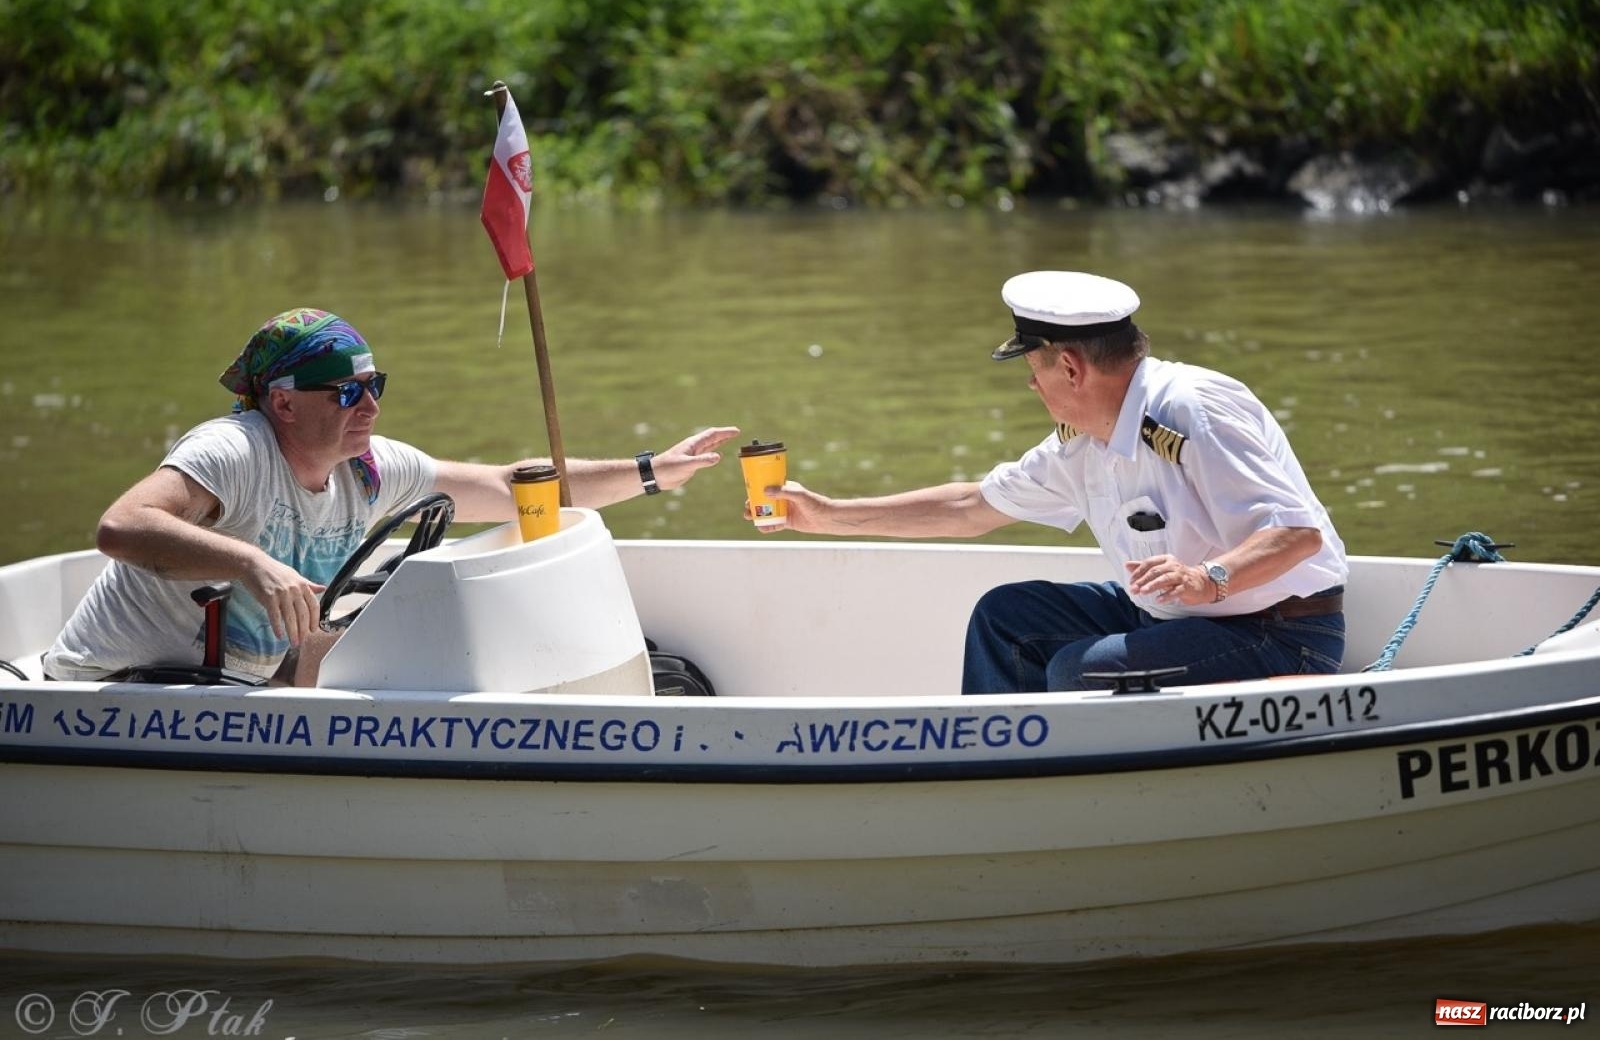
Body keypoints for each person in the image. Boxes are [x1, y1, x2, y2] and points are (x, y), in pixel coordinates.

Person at [45, 308, 738, 686]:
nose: (369, 405)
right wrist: (251, 562)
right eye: (347, 392)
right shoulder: (234, 450)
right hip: (110, 689)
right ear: (282, 404)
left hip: (234, 698)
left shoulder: (371, 467)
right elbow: (121, 526)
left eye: (377, 386)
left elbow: (507, 485)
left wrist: (652, 471)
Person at [764, 271, 1348, 694]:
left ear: (1070, 367)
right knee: (1007, 616)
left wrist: (1208, 579)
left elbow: (1296, 533)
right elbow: (970, 507)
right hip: (1176, 620)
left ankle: (1048, 790)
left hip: (1282, 636)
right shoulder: (1086, 438)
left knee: (1078, 668)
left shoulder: (1193, 407)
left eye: (1032, 368)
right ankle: (995, 772)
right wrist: (826, 514)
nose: (1031, 387)